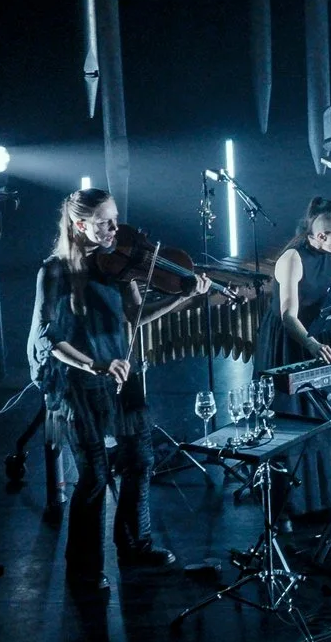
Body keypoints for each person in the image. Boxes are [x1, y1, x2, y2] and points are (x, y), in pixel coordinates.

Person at [26, 188, 204, 592]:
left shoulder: (118, 266)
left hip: (120, 370)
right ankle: (83, 568)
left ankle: (135, 545)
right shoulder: (53, 270)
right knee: (94, 474)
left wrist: (182, 296)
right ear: (79, 224)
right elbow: (50, 337)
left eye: (115, 218)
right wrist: (96, 364)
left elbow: (135, 315)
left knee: (140, 459)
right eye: (105, 221)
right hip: (77, 378)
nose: (114, 228)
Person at [262, 197, 331, 372]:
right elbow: (288, 316)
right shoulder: (293, 259)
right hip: (289, 336)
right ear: (322, 236)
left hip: (316, 329)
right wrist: (312, 345)